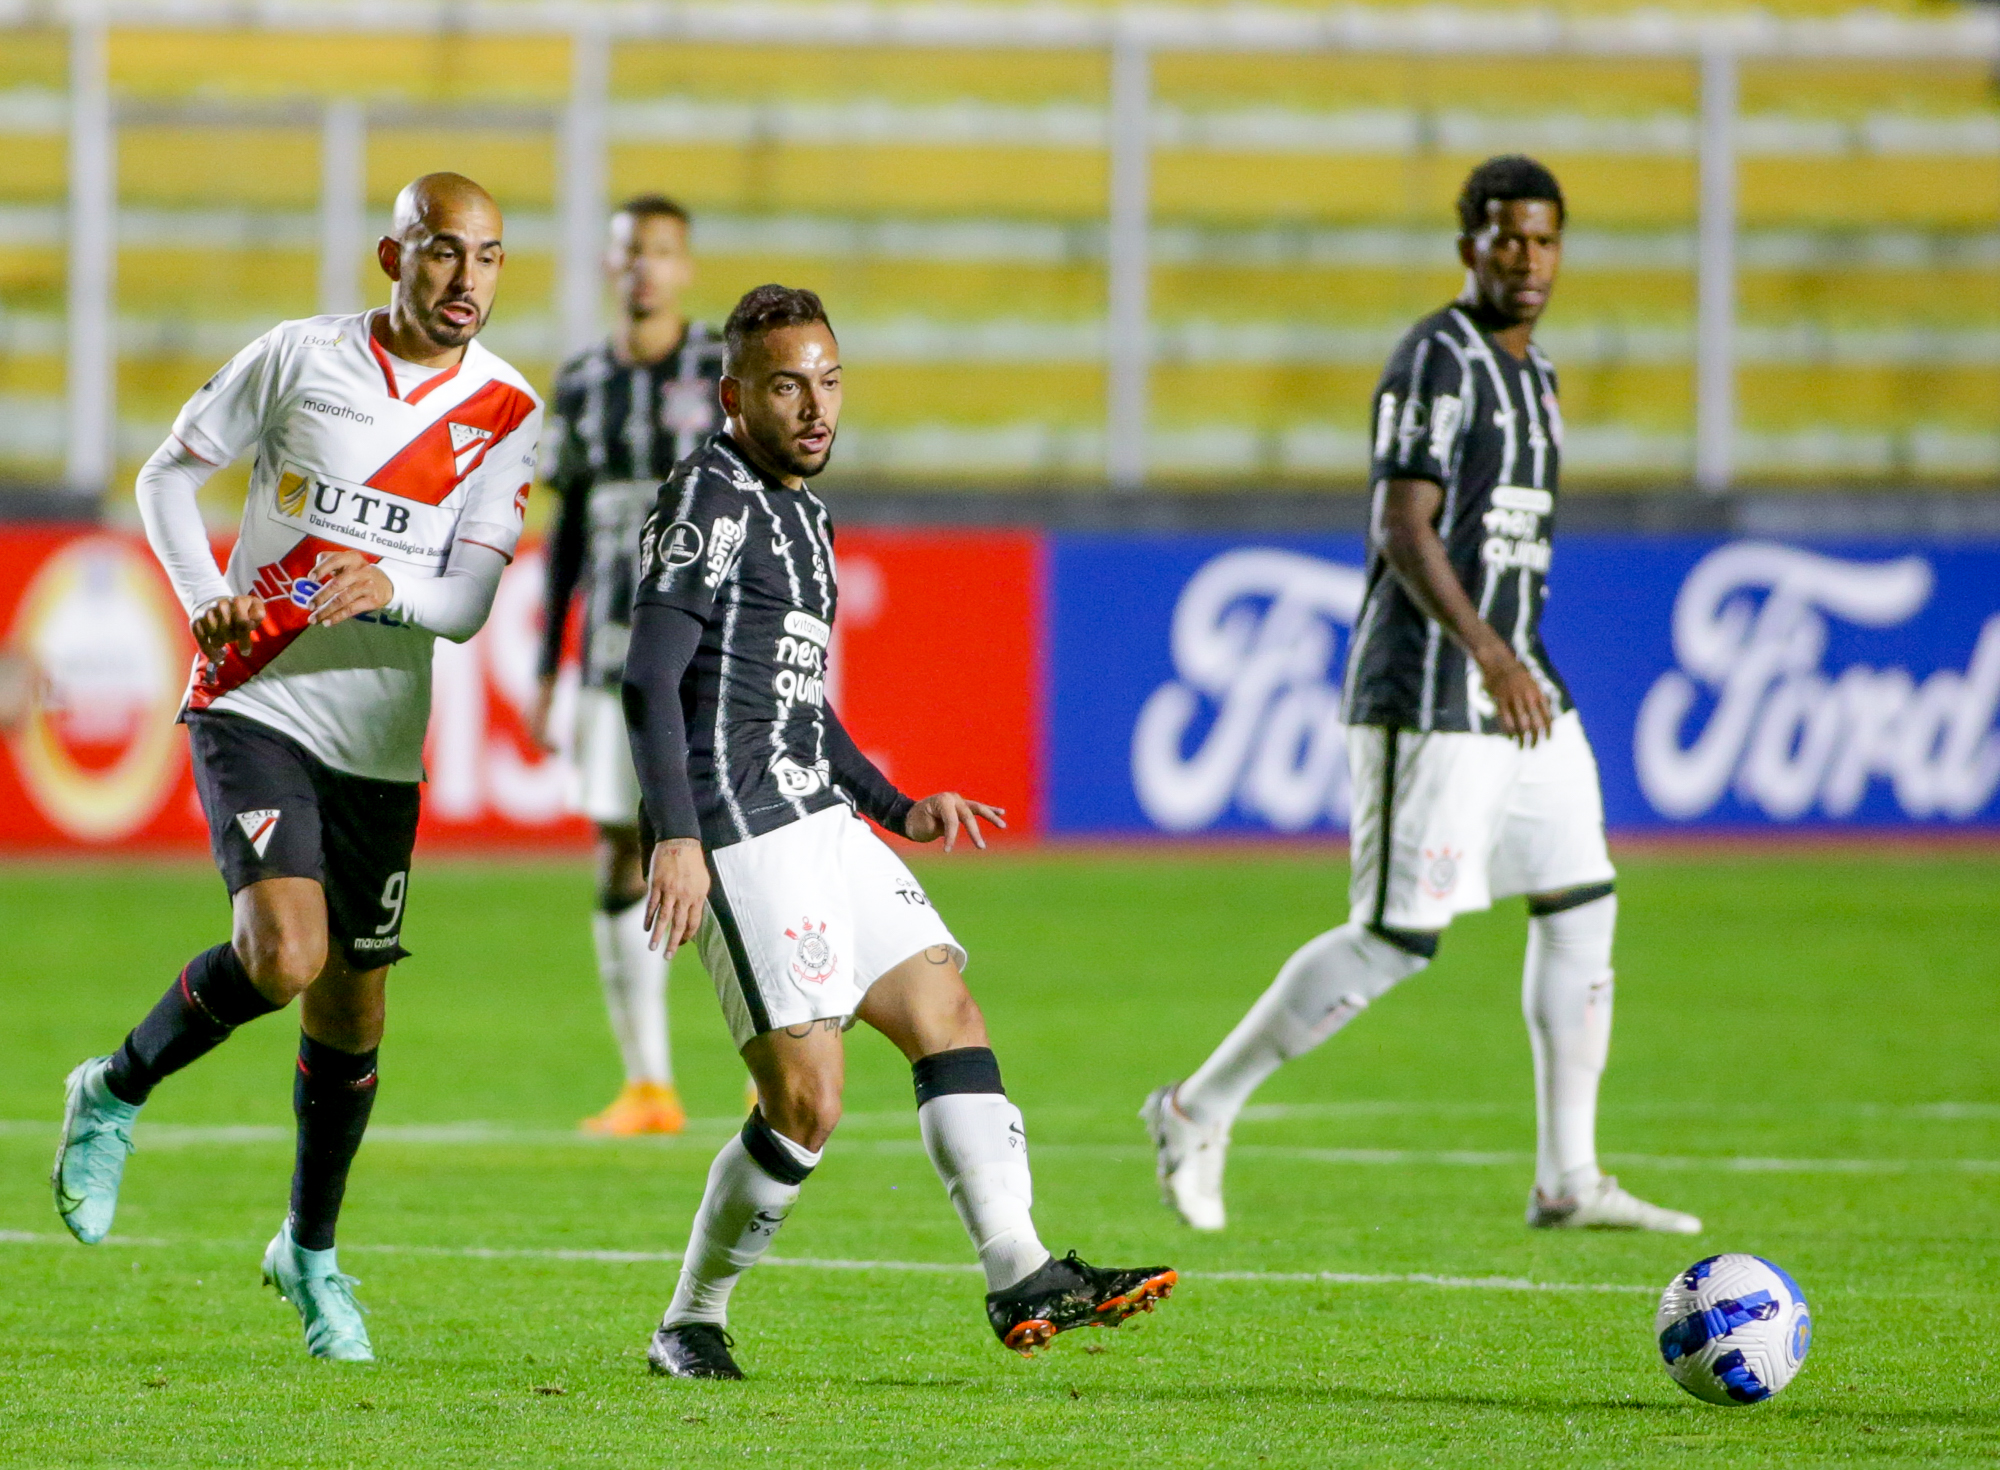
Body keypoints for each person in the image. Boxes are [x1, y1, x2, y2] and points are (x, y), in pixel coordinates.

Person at [621, 284, 1176, 1380]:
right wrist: (675, 836)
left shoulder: (804, 517)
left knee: (944, 1007)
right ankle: (690, 1319)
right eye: (788, 386)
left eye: (829, 381)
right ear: (735, 396)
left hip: (818, 816)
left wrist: (892, 805)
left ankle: (1018, 1268)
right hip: (737, 827)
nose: (816, 407)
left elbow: (796, 702)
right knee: (807, 1103)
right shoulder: (712, 495)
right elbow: (648, 675)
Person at [1143, 156, 1701, 1238]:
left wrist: (1511, 659)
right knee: (1396, 937)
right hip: (1433, 688)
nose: (1525, 259)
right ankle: (1192, 1107)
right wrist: (1488, 652)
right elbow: (1403, 526)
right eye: (1503, 239)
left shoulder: (1533, 374)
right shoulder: (1434, 358)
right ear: (1467, 249)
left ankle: (1566, 1177)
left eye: (1542, 240)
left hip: (1518, 683)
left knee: (1582, 902)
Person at [52, 173, 543, 1361]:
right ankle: (112, 1091)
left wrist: (396, 590)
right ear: (393, 253)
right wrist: (205, 599)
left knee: (352, 1008)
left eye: (485, 256)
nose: (464, 278)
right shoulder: (297, 357)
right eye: (440, 251)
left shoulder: (509, 407)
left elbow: (471, 603)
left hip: (380, 740)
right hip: (254, 697)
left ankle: (308, 1256)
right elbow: (166, 475)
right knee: (286, 951)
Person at [528, 195, 726, 1136]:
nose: (643, 267)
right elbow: (564, 532)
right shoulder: (582, 382)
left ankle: (782, 1060)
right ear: (610, 267)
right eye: (628, 252)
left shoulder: (722, 370)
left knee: (738, 846)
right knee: (620, 844)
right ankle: (649, 1083)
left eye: (659, 251)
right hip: (612, 653)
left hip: (716, 649)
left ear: (684, 266)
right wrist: (542, 668)